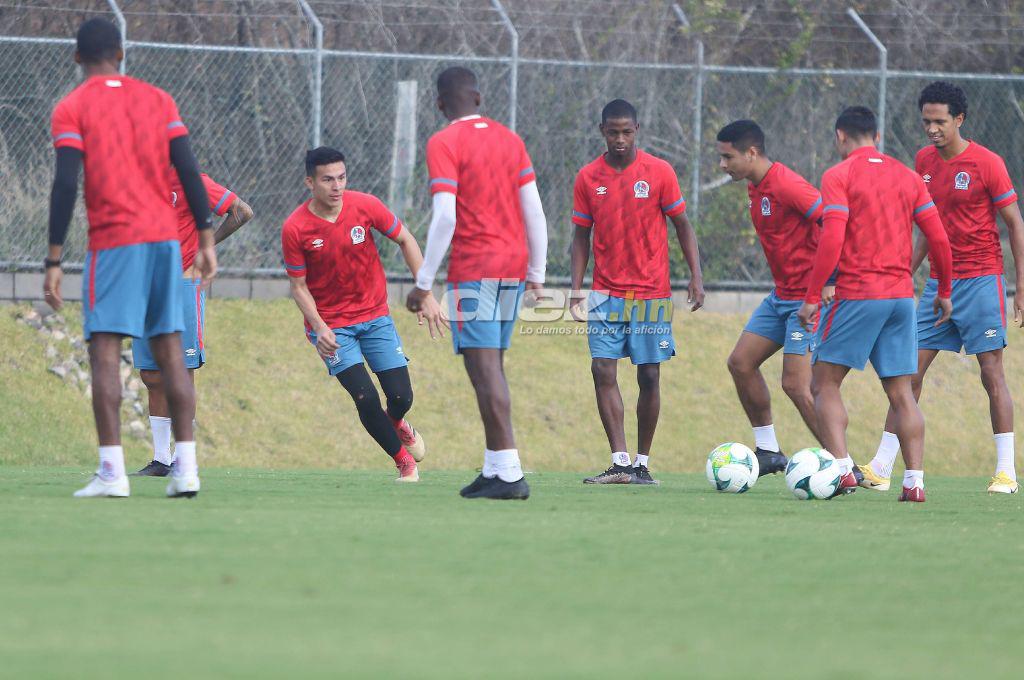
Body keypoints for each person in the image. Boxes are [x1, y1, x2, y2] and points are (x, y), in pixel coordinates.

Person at [45, 17, 216, 498]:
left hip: (115, 243)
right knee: (171, 355)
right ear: (120, 54)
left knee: (104, 350)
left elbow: (64, 183)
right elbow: (188, 167)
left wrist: (54, 259)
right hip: (165, 243)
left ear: (77, 58)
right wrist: (204, 239)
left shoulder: (73, 106)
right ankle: (187, 471)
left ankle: (112, 472)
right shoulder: (158, 99)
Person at [863, 82, 1024, 494]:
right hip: (938, 287)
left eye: (939, 122)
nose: (932, 129)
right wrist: (903, 271)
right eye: (926, 122)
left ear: (959, 120)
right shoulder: (923, 161)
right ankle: (881, 466)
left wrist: (1020, 286)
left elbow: (1014, 225)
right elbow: (925, 230)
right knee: (907, 373)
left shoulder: (987, 163)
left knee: (991, 374)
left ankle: (1006, 471)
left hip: (982, 282)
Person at [797, 106, 953, 503]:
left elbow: (832, 237)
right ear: (878, 137)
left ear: (840, 137)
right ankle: (914, 482)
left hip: (858, 294)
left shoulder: (839, 175)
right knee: (902, 391)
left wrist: (813, 295)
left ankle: (843, 469)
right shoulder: (908, 176)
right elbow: (938, 237)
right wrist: (945, 290)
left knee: (824, 382)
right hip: (902, 296)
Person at [406, 66, 548, 500]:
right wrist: (537, 273)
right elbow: (535, 212)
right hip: (513, 265)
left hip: (476, 267)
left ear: (440, 104)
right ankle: (495, 468)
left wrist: (423, 283)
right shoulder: (511, 139)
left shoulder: (444, 141)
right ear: (479, 97)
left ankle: (510, 474)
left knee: (485, 371)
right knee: (493, 367)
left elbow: (446, 215)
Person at [282, 147, 442, 481]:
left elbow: (406, 240)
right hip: (333, 327)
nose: (336, 186)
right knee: (365, 396)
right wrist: (319, 327)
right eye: (327, 179)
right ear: (309, 182)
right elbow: (298, 286)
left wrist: (425, 291)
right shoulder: (296, 228)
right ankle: (404, 463)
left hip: (375, 317)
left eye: (341, 177)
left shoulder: (366, 205)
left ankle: (396, 422)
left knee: (401, 396)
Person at [570, 99, 704, 486]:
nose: (620, 139)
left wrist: (695, 276)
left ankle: (643, 464)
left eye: (627, 132)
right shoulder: (588, 177)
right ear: (602, 132)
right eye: (613, 132)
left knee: (648, 376)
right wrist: (577, 289)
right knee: (601, 369)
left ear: (637, 130)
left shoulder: (659, 172)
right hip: (605, 292)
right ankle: (620, 462)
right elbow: (581, 237)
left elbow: (682, 225)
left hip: (650, 293)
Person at [716, 119, 826, 474]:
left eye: (727, 157)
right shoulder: (755, 186)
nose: (722, 165)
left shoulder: (788, 184)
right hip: (781, 297)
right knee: (741, 363)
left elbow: (833, 223)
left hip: (806, 301)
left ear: (751, 153)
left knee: (795, 384)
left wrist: (830, 281)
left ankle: (841, 463)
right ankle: (768, 450)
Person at [131, 173, 253, 476]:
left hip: (181, 285)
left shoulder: (188, 179)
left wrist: (204, 247)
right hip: (144, 286)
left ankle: (184, 459)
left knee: (181, 373)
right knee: (151, 374)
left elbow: (241, 211)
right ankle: (161, 459)